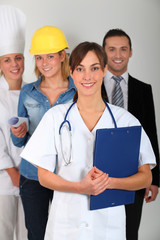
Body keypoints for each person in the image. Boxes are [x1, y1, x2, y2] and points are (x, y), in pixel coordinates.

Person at [20, 41, 156, 240]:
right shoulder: (55, 117)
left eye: (94, 68)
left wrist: (109, 183)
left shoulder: (125, 120)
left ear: (104, 71)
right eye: (80, 69)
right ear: (72, 73)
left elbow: (146, 177)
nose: (87, 76)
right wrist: (80, 188)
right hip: (66, 224)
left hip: (107, 224)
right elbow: (44, 176)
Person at [11, 25, 76, 240]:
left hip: (67, 175)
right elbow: (18, 141)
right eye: (39, 58)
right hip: (33, 176)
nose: (44, 63)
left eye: (50, 56)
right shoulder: (27, 92)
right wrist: (18, 132)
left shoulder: (77, 91)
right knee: (37, 235)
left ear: (62, 56)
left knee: (67, 234)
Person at [102, 28, 159, 240]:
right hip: (100, 169)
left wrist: (155, 178)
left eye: (123, 49)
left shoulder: (144, 90)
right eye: (112, 49)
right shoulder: (92, 86)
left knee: (129, 231)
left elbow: (151, 133)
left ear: (131, 52)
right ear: (103, 52)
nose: (118, 55)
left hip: (135, 172)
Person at [0, 5, 27, 240]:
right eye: (7, 59)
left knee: (30, 234)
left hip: (31, 178)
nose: (14, 64)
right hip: (2, 181)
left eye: (18, 57)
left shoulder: (33, 92)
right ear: (0, 64)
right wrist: (12, 172)